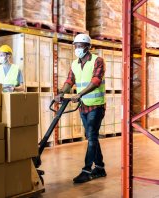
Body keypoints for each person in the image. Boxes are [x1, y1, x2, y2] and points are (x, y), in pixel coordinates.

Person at [54, 34, 107, 183]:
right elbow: (70, 80)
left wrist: (80, 94)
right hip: (83, 105)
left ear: (87, 47)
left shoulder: (98, 61)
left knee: (91, 136)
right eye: (75, 46)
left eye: (80, 46)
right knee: (92, 136)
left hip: (96, 105)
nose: (77, 48)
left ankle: (86, 170)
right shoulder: (74, 64)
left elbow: (96, 81)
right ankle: (100, 168)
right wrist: (61, 93)